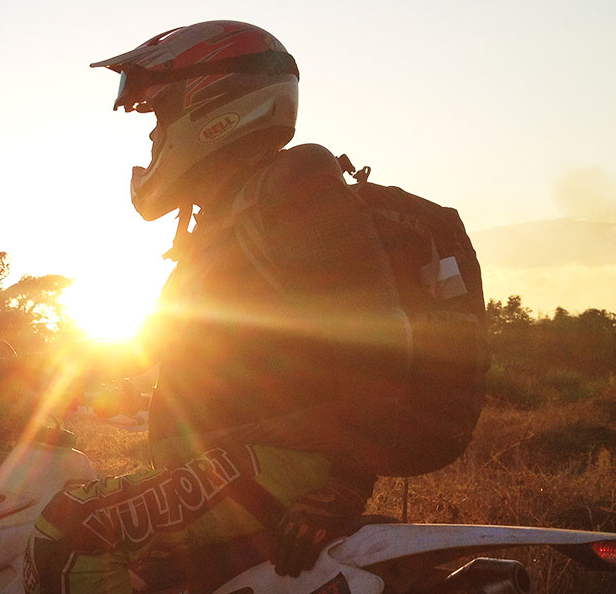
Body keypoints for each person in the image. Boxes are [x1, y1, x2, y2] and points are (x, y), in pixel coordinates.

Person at [23, 21, 415, 594]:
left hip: (276, 467)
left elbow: (381, 337)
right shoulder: (223, 220)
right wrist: (19, 366)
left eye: (159, 117)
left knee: (71, 527)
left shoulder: (294, 181)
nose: (154, 139)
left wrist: (342, 486)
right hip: (226, 466)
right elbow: (152, 346)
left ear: (212, 103)